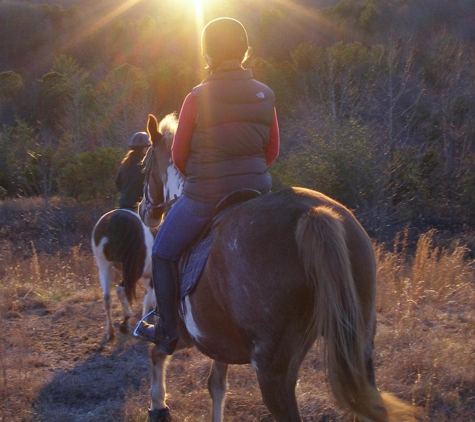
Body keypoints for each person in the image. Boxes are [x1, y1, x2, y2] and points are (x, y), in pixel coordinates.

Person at [135, 17, 280, 354]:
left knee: (162, 252)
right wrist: (250, 175)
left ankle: (168, 330)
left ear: (208, 54)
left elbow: (178, 155)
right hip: (258, 192)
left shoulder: (196, 97)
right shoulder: (267, 94)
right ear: (244, 52)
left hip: (205, 196)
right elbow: (272, 150)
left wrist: (202, 179)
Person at [115, 132, 151, 211]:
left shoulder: (124, 164)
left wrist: (126, 193)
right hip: (138, 208)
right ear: (144, 149)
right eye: (147, 148)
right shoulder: (145, 166)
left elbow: (118, 183)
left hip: (123, 206)